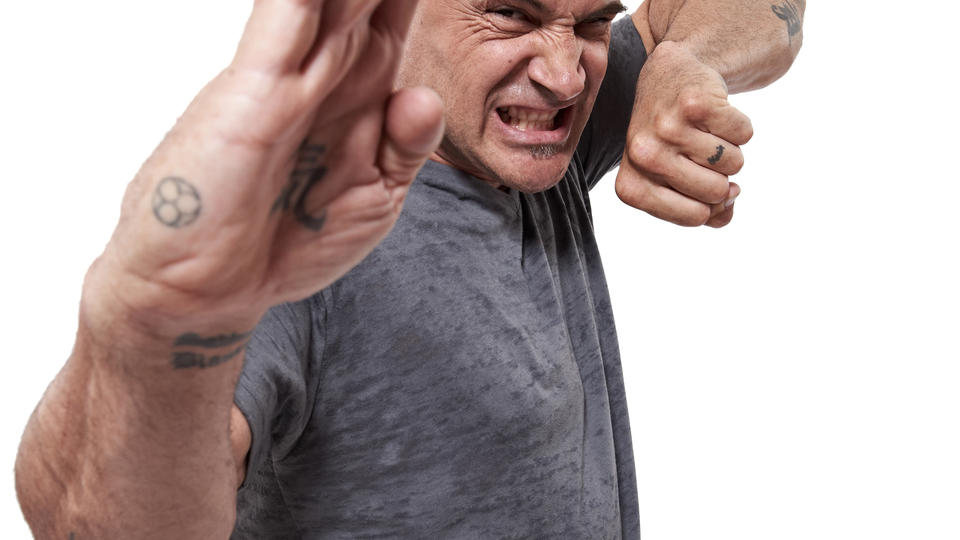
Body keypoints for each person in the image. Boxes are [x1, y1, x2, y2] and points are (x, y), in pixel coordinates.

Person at [15, 0, 803, 537]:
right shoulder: (304, 230)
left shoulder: (537, 137)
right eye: (508, 13)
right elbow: (95, 522)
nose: (566, 76)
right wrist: (149, 328)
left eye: (595, 19)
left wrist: (686, 62)